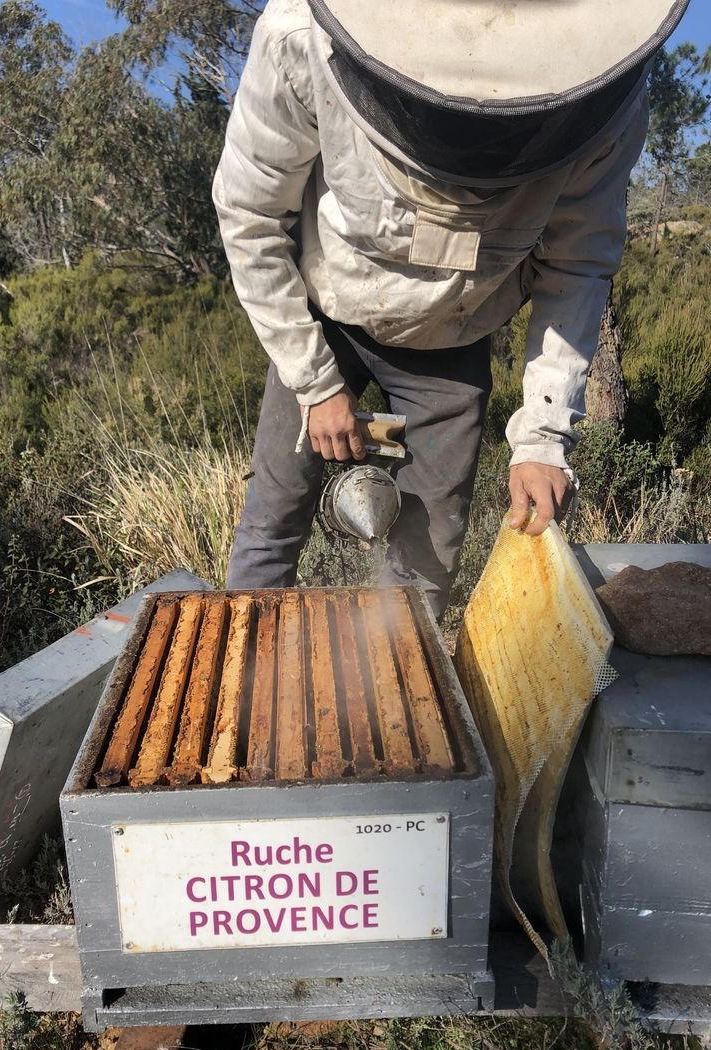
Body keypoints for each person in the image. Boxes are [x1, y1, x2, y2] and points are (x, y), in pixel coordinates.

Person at [213, 0, 689, 617]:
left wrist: (543, 439)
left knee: (428, 555)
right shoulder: (298, 39)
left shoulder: (604, 94)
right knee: (272, 521)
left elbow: (576, 264)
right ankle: (240, 681)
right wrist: (314, 384)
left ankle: (394, 674)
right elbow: (251, 217)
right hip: (326, 321)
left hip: (457, 339)